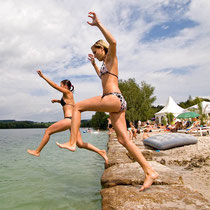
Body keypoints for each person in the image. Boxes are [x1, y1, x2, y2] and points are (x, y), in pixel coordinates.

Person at [56, 12, 158, 191]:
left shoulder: (111, 56)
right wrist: (94, 65)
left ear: (102, 49)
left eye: (96, 52)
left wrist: (98, 24)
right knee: (123, 140)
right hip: (115, 102)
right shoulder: (104, 64)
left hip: (113, 98)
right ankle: (149, 171)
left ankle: (72, 142)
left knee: (78, 106)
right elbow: (103, 79)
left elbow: (114, 42)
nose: (95, 55)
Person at [27, 70, 108, 165]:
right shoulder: (67, 96)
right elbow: (68, 104)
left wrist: (43, 77)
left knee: (48, 131)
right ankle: (101, 152)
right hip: (74, 121)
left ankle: (37, 151)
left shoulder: (68, 92)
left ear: (66, 86)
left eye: (61, 85)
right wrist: (57, 101)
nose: (60, 87)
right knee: (80, 144)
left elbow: (54, 86)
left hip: (69, 120)